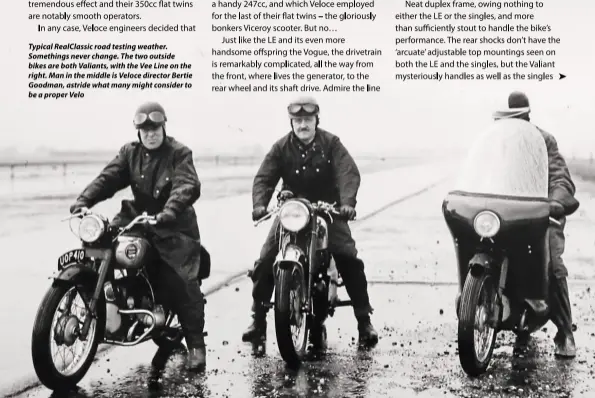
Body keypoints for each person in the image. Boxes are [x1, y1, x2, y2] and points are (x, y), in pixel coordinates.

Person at [69, 101, 207, 371]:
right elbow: (108, 178)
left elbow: (187, 185)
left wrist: (169, 212)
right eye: (144, 129)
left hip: (173, 224)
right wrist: (84, 202)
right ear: (138, 131)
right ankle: (108, 305)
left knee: (183, 278)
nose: (150, 133)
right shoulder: (129, 153)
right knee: (99, 244)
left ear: (163, 126)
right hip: (138, 217)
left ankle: (196, 346)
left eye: (155, 127)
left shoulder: (180, 153)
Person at [241, 96, 379, 347]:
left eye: (307, 119)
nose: (303, 124)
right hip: (292, 210)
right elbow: (264, 177)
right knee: (265, 259)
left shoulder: (331, 144)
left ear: (317, 120)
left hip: (327, 209)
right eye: (298, 120)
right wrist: (259, 205)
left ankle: (364, 321)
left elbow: (348, 172)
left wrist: (347, 203)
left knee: (348, 257)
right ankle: (258, 320)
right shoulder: (281, 147)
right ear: (291, 122)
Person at [494, 91, 580, 358]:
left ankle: (565, 332)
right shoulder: (502, 143)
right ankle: (501, 315)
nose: (517, 123)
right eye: (513, 118)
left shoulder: (544, 141)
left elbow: (559, 177)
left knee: (552, 264)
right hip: (511, 214)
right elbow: (489, 173)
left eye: (521, 118)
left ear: (528, 116)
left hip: (542, 215)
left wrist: (555, 201)